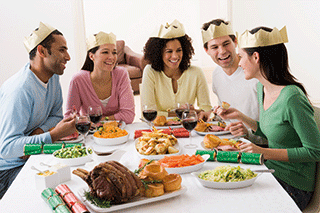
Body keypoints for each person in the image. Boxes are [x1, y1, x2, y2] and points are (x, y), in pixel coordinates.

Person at [215, 26, 320, 210]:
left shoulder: (292, 97)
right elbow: (271, 133)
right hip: (271, 170)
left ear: (256, 57)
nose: (239, 63)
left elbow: (314, 151)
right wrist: (241, 117)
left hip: (294, 185)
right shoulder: (262, 90)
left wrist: (263, 152)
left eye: (241, 57)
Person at [0, 22, 76, 199]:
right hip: (7, 170)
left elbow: (56, 115)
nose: (68, 57)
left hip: (31, 157)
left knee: (74, 177)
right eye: (62, 50)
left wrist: (38, 134)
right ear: (42, 51)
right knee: (56, 193)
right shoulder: (19, 90)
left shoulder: (53, 77)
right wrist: (53, 135)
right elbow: (7, 148)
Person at [199, 19, 267, 146]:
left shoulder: (255, 72)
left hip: (260, 146)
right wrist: (214, 115)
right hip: (231, 143)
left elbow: (276, 131)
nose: (222, 51)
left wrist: (248, 133)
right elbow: (226, 115)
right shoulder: (217, 74)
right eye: (214, 47)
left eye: (226, 44)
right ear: (206, 50)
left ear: (235, 42)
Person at [140, 19, 212, 117]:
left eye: (179, 50)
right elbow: (148, 112)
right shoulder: (150, 71)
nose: (175, 56)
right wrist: (180, 114)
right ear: (158, 53)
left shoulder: (196, 73)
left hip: (187, 128)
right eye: (169, 51)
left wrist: (195, 111)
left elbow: (207, 109)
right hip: (159, 129)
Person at [65, 32, 135, 124]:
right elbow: (70, 116)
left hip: (118, 133)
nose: (111, 57)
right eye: (105, 52)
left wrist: (99, 120)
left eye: (114, 52)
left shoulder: (121, 74)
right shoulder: (78, 80)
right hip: (90, 135)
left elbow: (128, 115)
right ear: (91, 56)